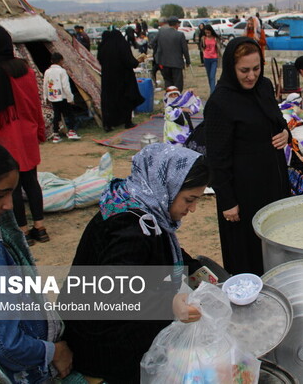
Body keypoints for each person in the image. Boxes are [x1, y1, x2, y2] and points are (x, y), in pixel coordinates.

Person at [63, 143, 207, 382]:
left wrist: (202, 275)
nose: (192, 209)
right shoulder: (129, 229)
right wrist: (170, 303)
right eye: (189, 199)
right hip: (104, 345)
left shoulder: (144, 208)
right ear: (166, 187)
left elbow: (167, 250)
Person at [0, 139, 73, 382]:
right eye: (0, 194)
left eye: (12, 194)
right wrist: (53, 351)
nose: (7, 205)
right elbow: (8, 345)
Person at [205, 37, 290, 275]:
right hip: (243, 193)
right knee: (247, 250)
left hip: (273, 183)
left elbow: (278, 120)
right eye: (244, 70)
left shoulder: (263, 87)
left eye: (256, 68)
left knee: (274, 241)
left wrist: (286, 133)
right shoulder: (220, 103)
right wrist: (227, 201)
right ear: (231, 68)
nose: (251, 76)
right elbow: (216, 158)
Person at [0, 24, 50, 244]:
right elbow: (35, 104)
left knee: (10, 185)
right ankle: (40, 228)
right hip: (27, 132)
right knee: (31, 181)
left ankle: (22, 231)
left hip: (3, 135)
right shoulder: (25, 70)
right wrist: (40, 131)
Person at [97, 28, 145, 131]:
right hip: (124, 78)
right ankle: (127, 122)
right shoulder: (122, 45)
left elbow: (100, 60)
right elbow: (129, 61)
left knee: (109, 101)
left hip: (108, 79)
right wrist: (137, 61)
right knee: (126, 99)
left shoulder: (103, 46)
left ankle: (108, 124)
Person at [43, 52, 81, 143]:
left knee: (57, 115)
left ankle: (56, 134)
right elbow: (65, 86)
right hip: (62, 96)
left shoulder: (47, 72)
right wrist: (70, 98)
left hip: (53, 96)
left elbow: (45, 85)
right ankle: (71, 131)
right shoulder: (62, 71)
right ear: (61, 61)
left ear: (51, 61)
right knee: (69, 114)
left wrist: (46, 97)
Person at [156, 16, 191, 91]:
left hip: (164, 62)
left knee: (168, 82)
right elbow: (185, 49)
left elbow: (155, 46)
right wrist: (188, 61)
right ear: (176, 24)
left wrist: (158, 60)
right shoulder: (180, 34)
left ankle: (169, 98)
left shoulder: (161, 33)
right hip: (176, 63)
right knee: (178, 83)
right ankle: (177, 99)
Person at [200, 24, 223, 94]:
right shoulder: (203, 38)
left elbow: (219, 47)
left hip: (214, 58)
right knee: (209, 76)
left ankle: (212, 93)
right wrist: (204, 53)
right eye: (206, 33)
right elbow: (202, 47)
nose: (207, 34)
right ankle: (212, 89)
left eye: (208, 32)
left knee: (212, 76)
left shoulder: (215, 38)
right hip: (207, 59)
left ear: (211, 31)